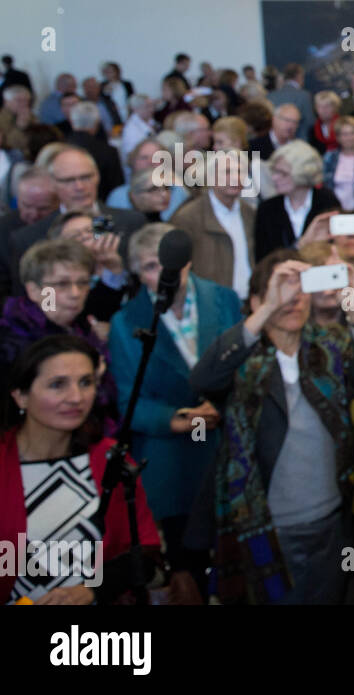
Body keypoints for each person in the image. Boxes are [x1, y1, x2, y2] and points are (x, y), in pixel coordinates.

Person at [187, 249, 354, 604]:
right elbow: (204, 378)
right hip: (264, 526)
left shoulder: (328, 346)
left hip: (331, 520)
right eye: (281, 289)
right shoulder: (241, 357)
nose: (293, 300)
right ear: (255, 300)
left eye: (301, 291)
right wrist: (266, 308)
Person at [107, 223, 241, 591]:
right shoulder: (127, 321)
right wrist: (181, 420)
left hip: (227, 444)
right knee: (186, 561)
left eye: (171, 265)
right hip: (172, 455)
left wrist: (217, 407)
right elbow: (128, 403)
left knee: (237, 552)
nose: (165, 275)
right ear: (137, 273)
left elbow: (246, 366)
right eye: (151, 267)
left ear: (189, 260)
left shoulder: (225, 299)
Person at [0, 335, 171, 605]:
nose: (76, 397)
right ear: (20, 396)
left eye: (86, 383)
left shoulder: (111, 458)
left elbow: (148, 557)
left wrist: (92, 590)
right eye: (58, 385)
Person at [0, 239, 117, 429]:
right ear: (34, 290)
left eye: (82, 283)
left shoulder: (82, 328)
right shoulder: (12, 337)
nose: (75, 293)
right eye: (62, 284)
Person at [170, 150, 257, 298]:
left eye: (240, 172)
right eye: (227, 172)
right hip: (211, 301)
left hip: (248, 298)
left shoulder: (249, 213)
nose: (235, 178)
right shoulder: (188, 217)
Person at [253, 140, 342, 260]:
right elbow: (263, 258)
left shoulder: (327, 202)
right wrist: (300, 245)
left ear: (303, 174)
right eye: (274, 171)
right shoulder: (267, 209)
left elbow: (338, 248)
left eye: (283, 173)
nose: (274, 178)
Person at [65, 102, 122, 201]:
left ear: (71, 121)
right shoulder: (108, 151)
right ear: (96, 124)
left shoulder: (60, 148)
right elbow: (116, 189)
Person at [321, 115, 354, 212]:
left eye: (353, 133)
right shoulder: (329, 157)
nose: (349, 138)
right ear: (338, 137)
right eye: (345, 134)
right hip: (334, 209)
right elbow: (324, 184)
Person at [267, 64, 314, 140]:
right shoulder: (304, 95)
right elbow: (310, 122)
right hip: (299, 143)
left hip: (274, 144)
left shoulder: (270, 96)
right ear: (299, 76)